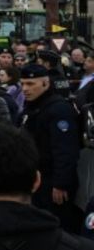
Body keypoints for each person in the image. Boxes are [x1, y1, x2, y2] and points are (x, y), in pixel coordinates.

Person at [19, 63, 83, 233]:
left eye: (31, 84)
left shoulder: (58, 109)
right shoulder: (32, 107)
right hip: (35, 177)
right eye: (23, 84)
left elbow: (65, 149)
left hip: (52, 180)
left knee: (57, 226)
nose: (25, 89)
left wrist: (60, 183)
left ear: (45, 84)